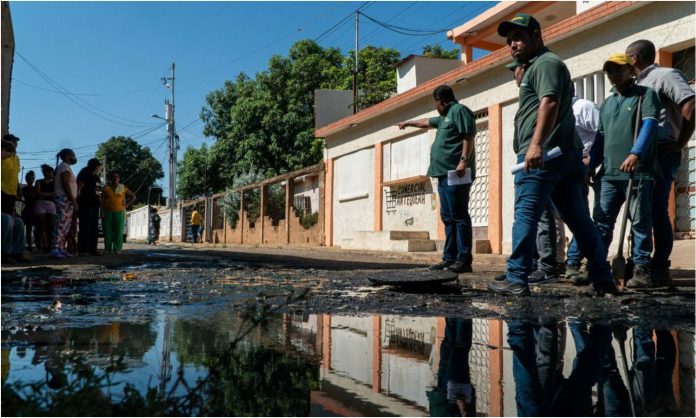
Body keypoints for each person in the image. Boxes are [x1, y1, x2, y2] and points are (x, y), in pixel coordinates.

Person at [488, 14, 616, 296]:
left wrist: (536, 144)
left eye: (519, 38)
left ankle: (516, 277)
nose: (513, 45)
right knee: (578, 219)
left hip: (544, 156)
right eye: (510, 41)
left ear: (537, 35)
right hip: (562, 156)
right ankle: (602, 277)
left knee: (525, 214)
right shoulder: (536, 66)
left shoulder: (546, 63)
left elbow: (550, 101)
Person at [626, 39, 696, 286]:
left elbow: (690, 103)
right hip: (642, 155)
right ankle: (639, 265)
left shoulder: (665, 76)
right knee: (639, 211)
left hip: (662, 152)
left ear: (633, 58)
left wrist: (680, 142)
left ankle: (660, 268)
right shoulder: (636, 84)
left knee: (656, 210)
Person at [589, 53, 661, 288]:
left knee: (640, 222)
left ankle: (641, 269)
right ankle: (597, 269)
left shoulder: (645, 96)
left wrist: (635, 153)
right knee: (601, 222)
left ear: (631, 71)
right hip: (609, 174)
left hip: (637, 172)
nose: (613, 75)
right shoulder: (608, 103)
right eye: (609, 71)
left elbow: (650, 125)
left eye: (618, 69)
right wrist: (591, 165)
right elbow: (600, 137)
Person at [398, 85, 476, 274]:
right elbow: (426, 122)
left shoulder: (459, 111)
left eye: (435, 103)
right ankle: (449, 258)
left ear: (439, 101)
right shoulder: (443, 117)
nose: (435, 106)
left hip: (455, 173)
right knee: (448, 217)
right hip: (443, 174)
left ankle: (463, 259)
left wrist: (463, 161)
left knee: (458, 216)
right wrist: (408, 122)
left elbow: (468, 135)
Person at [565, 96, 601, 285]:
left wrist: (591, 160)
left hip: (580, 168)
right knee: (573, 216)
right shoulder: (560, 110)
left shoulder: (583, 107)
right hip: (564, 169)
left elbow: (603, 133)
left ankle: (573, 261)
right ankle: (571, 261)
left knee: (580, 216)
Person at [427, 318, 476, 417]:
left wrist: (464, 410)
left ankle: (461, 312)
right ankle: (454, 312)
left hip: (451, 397)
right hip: (443, 397)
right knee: (449, 346)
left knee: (458, 348)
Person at [1, 139, 27, 264]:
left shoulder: (14, 160)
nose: (10, 155)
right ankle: (4, 253)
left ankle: (17, 252)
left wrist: (19, 195)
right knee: (7, 220)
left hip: (8, 196)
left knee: (18, 222)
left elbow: (15, 179)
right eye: (7, 152)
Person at [50, 148, 78, 259]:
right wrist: (73, 199)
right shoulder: (64, 167)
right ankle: (55, 249)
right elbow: (66, 184)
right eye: (73, 155)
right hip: (64, 198)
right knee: (61, 224)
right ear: (67, 156)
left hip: (67, 199)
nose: (74, 157)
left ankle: (61, 248)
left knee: (65, 225)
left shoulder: (67, 167)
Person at [101, 172, 135, 254]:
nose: (115, 178)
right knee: (107, 232)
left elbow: (133, 197)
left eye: (117, 176)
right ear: (110, 178)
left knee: (118, 232)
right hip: (107, 212)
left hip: (119, 212)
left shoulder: (122, 187)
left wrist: (126, 205)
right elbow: (101, 200)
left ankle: (117, 249)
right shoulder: (106, 188)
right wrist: (101, 212)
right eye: (113, 176)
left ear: (119, 178)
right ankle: (107, 250)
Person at [76, 158, 102, 255]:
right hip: (85, 203)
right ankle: (82, 250)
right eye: (99, 166)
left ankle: (92, 250)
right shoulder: (85, 172)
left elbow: (98, 191)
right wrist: (76, 201)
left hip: (94, 204)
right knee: (85, 227)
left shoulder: (96, 177)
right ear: (96, 166)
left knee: (94, 228)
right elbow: (79, 186)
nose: (100, 168)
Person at [35, 164, 56, 253]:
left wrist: (44, 194)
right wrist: (50, 194)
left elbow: (41, 193)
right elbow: (38, 193)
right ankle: (40, 245)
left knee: (50, 226)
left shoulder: (54, 183)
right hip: (40, 203)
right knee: (41, 226)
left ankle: (49, 245)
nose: (52, 174)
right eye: (51, 172)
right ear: (46, 173)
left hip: (50, 204)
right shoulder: (38, 181)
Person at [20, 170, 38, 252]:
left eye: (32, 178)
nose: (30, 179)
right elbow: (21, 199)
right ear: (26, 179)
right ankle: (28, 244)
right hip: (27, 209)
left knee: (34, 228)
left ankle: (33, 244)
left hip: (34, 209)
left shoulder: (36, 189)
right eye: (28, 178)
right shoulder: (23, 189)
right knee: (27, 228)